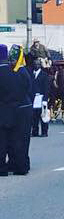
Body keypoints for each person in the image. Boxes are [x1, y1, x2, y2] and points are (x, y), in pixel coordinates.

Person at [0, 45, 31, 175]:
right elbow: (28, 89)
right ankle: (20, 166)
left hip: (3, 110)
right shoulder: (20, 71)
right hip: (22, 109)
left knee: (2, 141)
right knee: (19, 140)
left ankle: (2, 168)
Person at [29, 57, 51, 137]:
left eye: (38, 64)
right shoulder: (31, 74)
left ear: (40, 65)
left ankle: (44, 132)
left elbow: (46, 88)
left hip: (41, 98)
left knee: (43, 115)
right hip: (33, 98)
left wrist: (45, 99)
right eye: (35, 64)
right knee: (34, 116)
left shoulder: (44, 75)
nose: (36, 65)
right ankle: (35, 131)